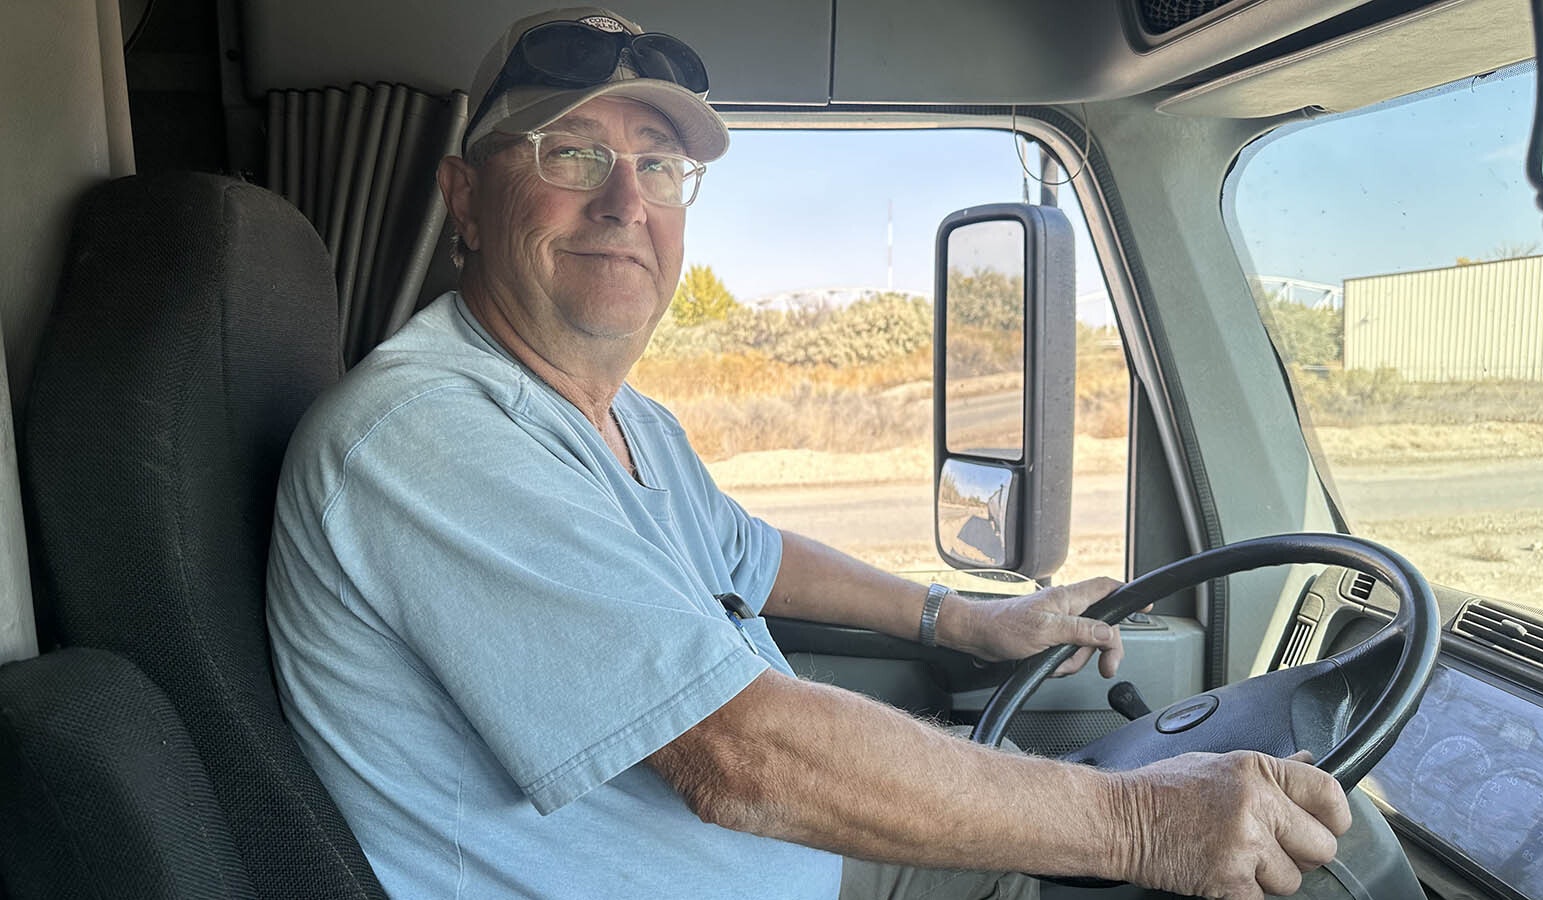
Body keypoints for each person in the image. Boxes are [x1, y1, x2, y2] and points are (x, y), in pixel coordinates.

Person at [265, 7, 1351, 899]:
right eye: (574, 152)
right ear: (465, 199)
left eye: (659, 166)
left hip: (795, 860)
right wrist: (1138, 825)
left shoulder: (621, 419)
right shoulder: (423, 435)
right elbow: (740, 757)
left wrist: (962, 619)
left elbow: (750, 553)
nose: (623, 201)